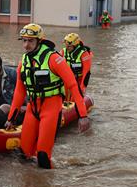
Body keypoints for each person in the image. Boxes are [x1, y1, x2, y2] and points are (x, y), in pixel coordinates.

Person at [5, 23, 90, 169]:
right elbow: (20, 92)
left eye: (30, 41)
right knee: (23, 155)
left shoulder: (54, 59)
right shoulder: (23, 62)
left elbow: (73, 86)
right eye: (24, 41)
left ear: (39, 41)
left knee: (43, 156)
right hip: (32, 108)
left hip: (51, 108)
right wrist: (11, 118)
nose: (26, 45)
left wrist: (82, 115)